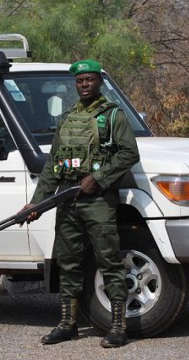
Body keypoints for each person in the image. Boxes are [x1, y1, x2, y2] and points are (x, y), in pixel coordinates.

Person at [21, 59, 140, 348]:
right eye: (80, 80)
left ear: (99, 82)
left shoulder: (113, 116)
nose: (84, 84)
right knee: (68, 263)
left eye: (89, 79)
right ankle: (68, 324)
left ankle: (118, 327)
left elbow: (128, 154)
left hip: (97, 200)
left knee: (109, 262)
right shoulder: (65, 119)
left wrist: (97, 178)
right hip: (67, 199)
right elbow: (52, 166)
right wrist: (36, 204)